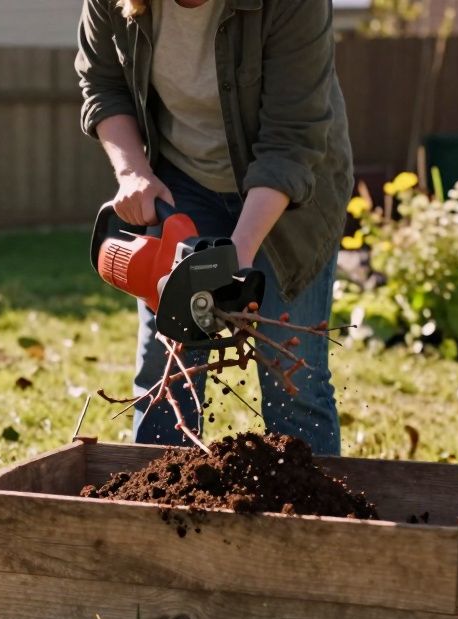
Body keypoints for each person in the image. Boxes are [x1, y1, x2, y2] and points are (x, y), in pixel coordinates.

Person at [75, 0, 353, 455]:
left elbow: (291, 140)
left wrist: (238, 255)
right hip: (185, 186)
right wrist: (134, 172)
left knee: (293, 376)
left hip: (291, 195)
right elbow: (102, 84)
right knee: (166, 366)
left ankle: (311, 522)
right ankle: (155, 513)